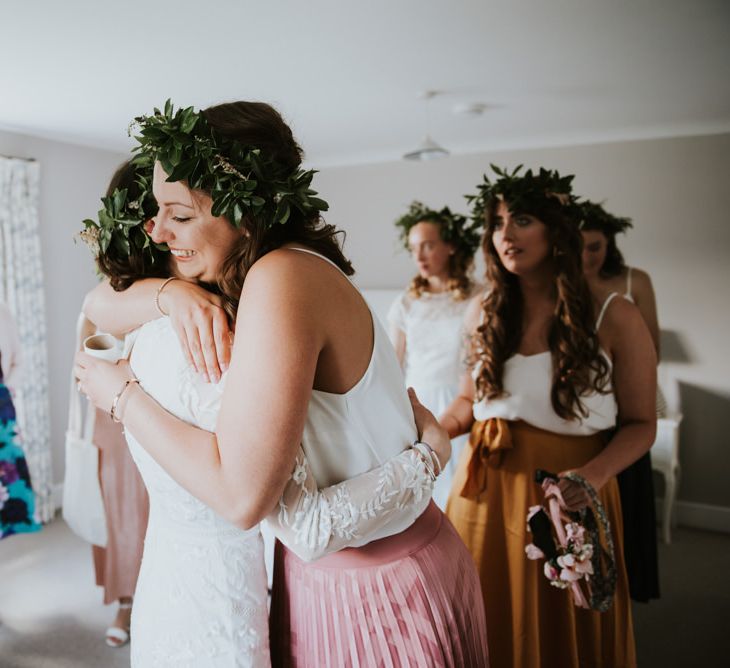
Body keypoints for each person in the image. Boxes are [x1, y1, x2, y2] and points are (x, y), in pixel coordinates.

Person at [76, 101, 488, 666]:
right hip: (333, 574)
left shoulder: (282, 276)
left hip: (381, 587)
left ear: (243, 212)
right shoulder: (269, 274)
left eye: (179, 213)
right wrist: (169, 294)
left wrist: (121, 395)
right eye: (155, 211)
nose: (157, 229)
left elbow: (243, 498)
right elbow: (99, 301)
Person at [442, 165, 656, 667]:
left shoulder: (614, 314)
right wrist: (429, 429)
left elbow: (642, 423)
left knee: (567, 623)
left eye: (521, 220)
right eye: (496, 224)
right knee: (485, 614)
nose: (505, 235)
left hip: (571, 489)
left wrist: (593, 476)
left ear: (557, 231)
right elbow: (467, 403)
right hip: (485, 487)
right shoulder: (483, 311)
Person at [79, 161, 153, 648]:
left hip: (160, 414)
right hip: (113, 415)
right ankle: (127, 603)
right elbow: (86, 360)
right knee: (125, 513)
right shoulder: (106, 293)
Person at [579, 200, 661, 603]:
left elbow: (653, 350)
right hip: (582, 415)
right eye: (577, 245)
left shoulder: (634, 283)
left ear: (609, 245)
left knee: (625, 509)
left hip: (623, 405)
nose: (586, 256)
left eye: (595, 246)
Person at [388, 201, 481, 508]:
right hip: (420, 402)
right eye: (414, 248)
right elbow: (393, 366)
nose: (419, 256)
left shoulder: (478, 297)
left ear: (451, 246)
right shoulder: (406, 302)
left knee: (462, 494)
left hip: (464, 402)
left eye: (428, 246)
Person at [0, 301, 41, 540]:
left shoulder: (3, 311)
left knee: (9, 470)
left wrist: (7, 389)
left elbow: (18, 360)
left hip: (2, 404)